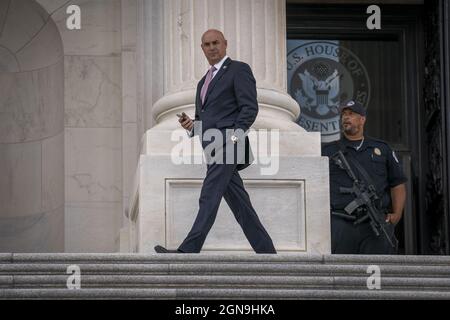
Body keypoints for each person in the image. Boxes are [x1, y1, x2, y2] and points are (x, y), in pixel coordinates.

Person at [154, 29, 276, 254]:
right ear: (202, 48)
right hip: (212, 147)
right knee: (241, 206)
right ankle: (267, 252)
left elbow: (249, 107)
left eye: (216, 43)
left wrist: (234, 137)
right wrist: (192, 126)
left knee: (209, 194)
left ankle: (189, 250)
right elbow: (204, 120)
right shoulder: (202, 83)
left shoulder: (239, 70)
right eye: (207, 44)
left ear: (225, 44)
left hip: (229, 145)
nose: (212, 47)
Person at [322, 100, 407, 254]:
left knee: (377, 271)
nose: (345, 118)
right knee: (342, 273)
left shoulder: (382, 149)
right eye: (343, 115)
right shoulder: (328, 150)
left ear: (362, 119)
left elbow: (398, 184)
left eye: (351, 114)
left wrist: (397, 214)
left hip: (374, 222)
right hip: (340, 223)